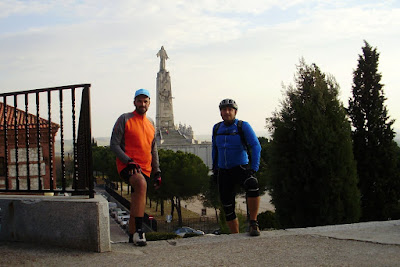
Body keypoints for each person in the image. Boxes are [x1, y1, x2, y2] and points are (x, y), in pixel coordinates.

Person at [110, 88, 161, 246]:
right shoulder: (125, 119)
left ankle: (131, 236)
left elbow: (153, 149)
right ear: (134, 102)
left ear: (149, 103)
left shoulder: (151, 123)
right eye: (139, 101)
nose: (142, 104)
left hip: (146, 167)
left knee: (136, 200)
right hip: (128, 165)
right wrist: (128, 160)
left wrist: (157, 171)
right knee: (140, 183)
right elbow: (114, 144)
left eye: (145, 101)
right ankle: (140, 231)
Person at [212, 98, 262, 236]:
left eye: (230, 110)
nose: (227, 112)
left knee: (252, 184)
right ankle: (235, 235)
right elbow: (215, 149)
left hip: (240, 167)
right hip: (223, 171)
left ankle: (253, 223)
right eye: (224, 110)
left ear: (235, 112)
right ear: (220, 112)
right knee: (227, 205)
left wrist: (254, 168)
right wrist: (214, 169)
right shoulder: (216, 128)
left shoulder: (242, 126)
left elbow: (256, 146)